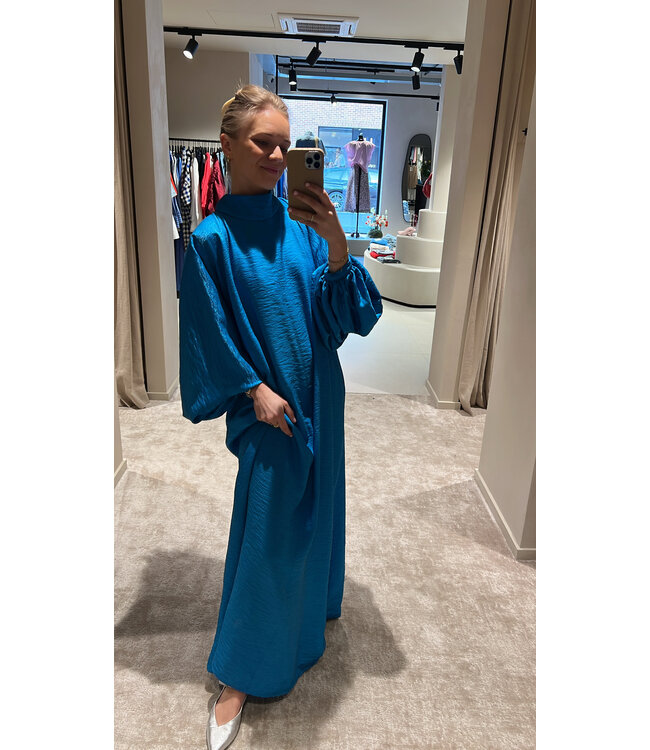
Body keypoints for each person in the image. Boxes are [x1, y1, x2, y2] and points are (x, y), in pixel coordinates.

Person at [178, 84, 383, 750]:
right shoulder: (210, 240)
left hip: (321, 391)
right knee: (266, 526)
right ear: (228, 145)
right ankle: (239, 675)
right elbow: (207, 331)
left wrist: (337, 246)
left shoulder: (303, 225)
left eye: (284, 146)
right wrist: (252, 390)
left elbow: (343, 317)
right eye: (263, 142)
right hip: (268, 407)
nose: (275, 156)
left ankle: (305, 618)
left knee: (319, 505)